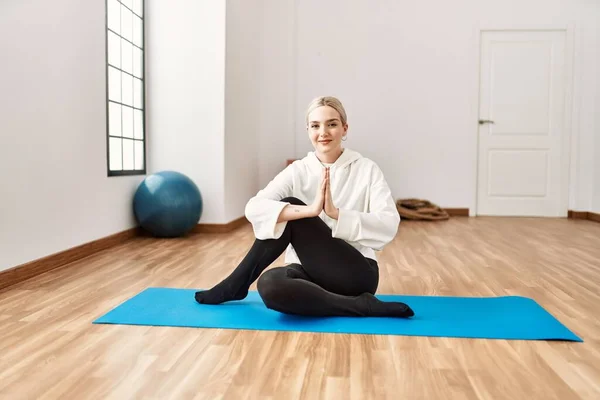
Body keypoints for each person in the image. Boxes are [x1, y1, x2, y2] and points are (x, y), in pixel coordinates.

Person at [195, 96, 414, 318]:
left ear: (344, 128)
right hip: (307, 274)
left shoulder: (367, 169)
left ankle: (236, 284)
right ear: (308, 130)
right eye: (315, 126)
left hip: (356, 273)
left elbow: (389, 224)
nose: (323, 132)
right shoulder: (299, 170)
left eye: (332, 124)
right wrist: (310, 211)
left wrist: (336, 214)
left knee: (292, 205)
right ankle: (360, 306)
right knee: (269, 284)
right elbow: (254, 208)